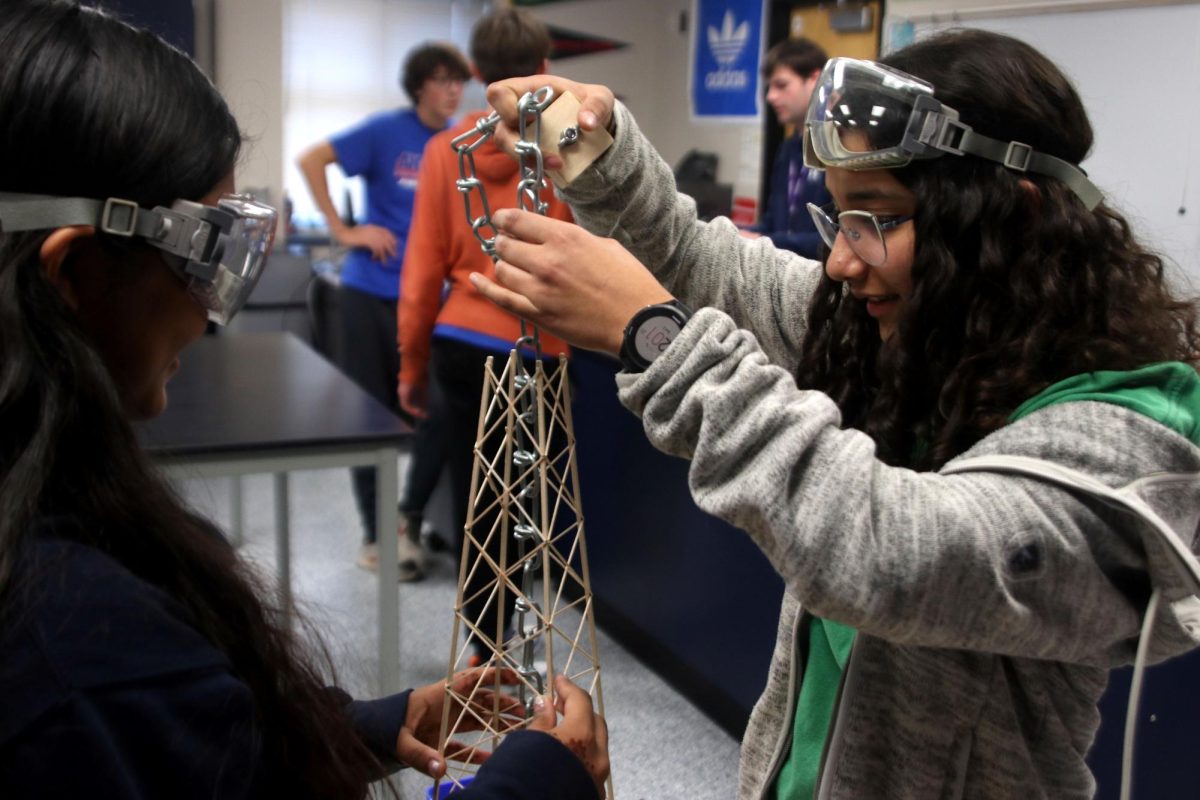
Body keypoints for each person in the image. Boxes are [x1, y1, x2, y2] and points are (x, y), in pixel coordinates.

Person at [471, 29, 1200, 799]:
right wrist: (590, 145)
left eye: (878, 219)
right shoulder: (918, 333)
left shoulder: (1122, 442)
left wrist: (654, 336)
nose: (843, 261)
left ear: (1006, 217)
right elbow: (692, 258)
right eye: (840, 219)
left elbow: (886, 555)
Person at [0, 3, 608, 798]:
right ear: (73, 277)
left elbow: (198, 750)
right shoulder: (81, 643)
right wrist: (543, 782)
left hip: (463, 344)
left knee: (479, 513)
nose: (210, 307)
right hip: (533, 352)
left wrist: (346, 728)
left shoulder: (60, 553)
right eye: (203, 252)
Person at [398, 7, 573, 665]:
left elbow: (419, 279)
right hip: (538, 348)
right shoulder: (566, 152)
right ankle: (514, 641)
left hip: (461, 344)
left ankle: (484, 646)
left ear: (476, 73)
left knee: (480, 495)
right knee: (526, 499)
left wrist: (410, 370)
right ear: (546, 69)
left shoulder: (448, 152)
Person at [297, 41, 470, 577]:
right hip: (369, 292)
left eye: (458, 82)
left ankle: (409, 516)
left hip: (430, 300)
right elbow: (312, 159)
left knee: (442, 413)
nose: (452, 91)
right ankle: (377, 539)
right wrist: (343, 230)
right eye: (441, 81)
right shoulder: (383, 133)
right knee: (368, 416)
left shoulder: (460, 142)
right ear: (419, 86)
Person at [740, 37, 831, 258]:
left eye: (781, 85)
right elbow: (773, 224)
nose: (771, 96)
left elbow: (837, 239)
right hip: (783, 275)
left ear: (814, 80)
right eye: (769, 87)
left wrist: (766, 241)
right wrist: (735, 234)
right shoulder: (787, 150)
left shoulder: (838, 149)